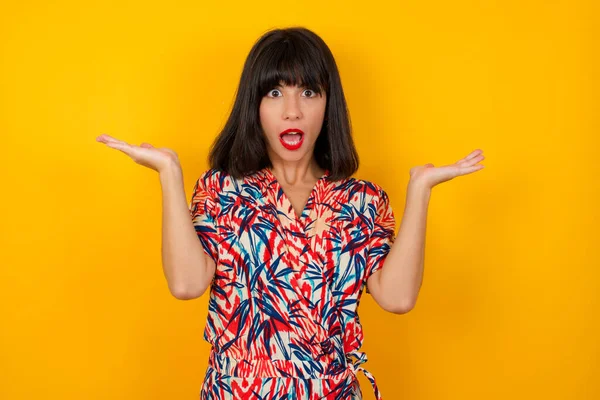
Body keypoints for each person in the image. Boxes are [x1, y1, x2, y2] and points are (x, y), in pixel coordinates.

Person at [97, 26, 485, 400]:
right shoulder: (222, 190)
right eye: (275, 92)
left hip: (330, 390)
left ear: (329, 103)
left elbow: (398, 298)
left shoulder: (362, 201)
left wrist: (419, 191)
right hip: (237, 391)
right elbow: (186, 284)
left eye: (310, 92)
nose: (293, 111)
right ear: (255, 104)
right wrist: (169, 172)